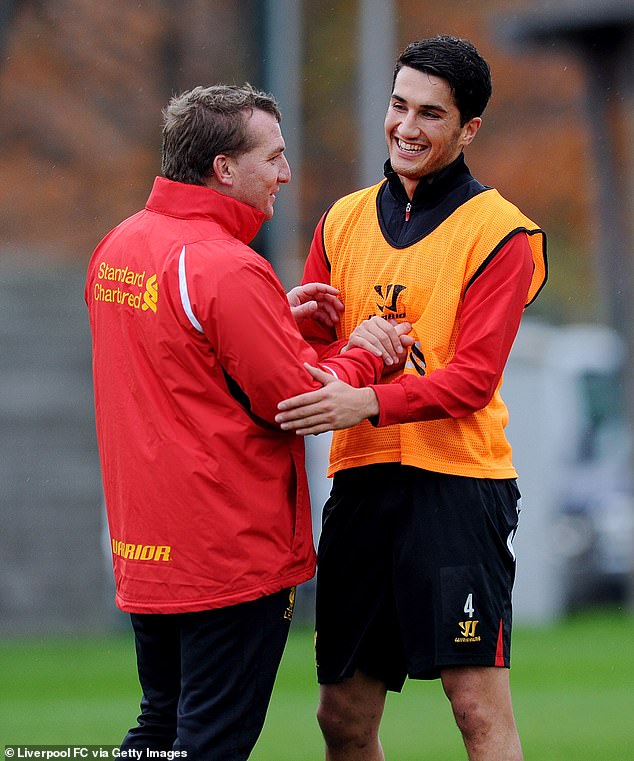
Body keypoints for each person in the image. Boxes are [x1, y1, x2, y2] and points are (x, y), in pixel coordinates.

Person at [85, 83, 404, 760]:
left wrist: (271, 323)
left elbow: (180, 355)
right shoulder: (228, 266)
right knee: (210, 744)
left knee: (158, 726)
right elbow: (297, 400)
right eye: (274, 156)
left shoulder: (118, 245)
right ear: (224, 169)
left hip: (149, 549)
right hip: (227, 552)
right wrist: (365, 354)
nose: (286, 173)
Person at [275, 36, 547, 761]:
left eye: (431, 113)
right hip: (362, 486)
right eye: (399, 105)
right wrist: (297, 327)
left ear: (469, 129)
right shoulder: (342, 219)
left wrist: (367, 403)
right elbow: (315, 363)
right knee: (342, 718)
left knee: (477, 713)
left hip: (459, 488)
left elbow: (472, 381)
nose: (407, 126)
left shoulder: (504, 233)